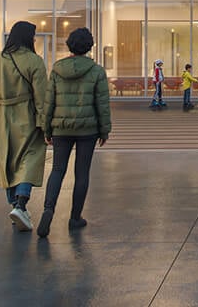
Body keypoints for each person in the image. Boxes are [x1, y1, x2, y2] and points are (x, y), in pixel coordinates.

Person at [35, 26, 111, 237]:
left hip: (61, 128)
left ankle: (48, 209)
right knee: (82, 173)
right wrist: (104, 130)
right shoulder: (96, 71)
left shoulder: (57, 69)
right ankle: (75, 218)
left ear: (69, 45)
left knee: (58, 170)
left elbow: (49, 101)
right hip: (88, 130)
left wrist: (46, 127)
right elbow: (102, 104)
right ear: (89, 47)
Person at [0, 21, 49, 232]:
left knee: (8, 158)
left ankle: (15, 206)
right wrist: (44, 123)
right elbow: (41, 96)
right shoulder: (34, 61)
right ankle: (21, 204)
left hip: (4, 115)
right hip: (26, 113)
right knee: (30, 157)